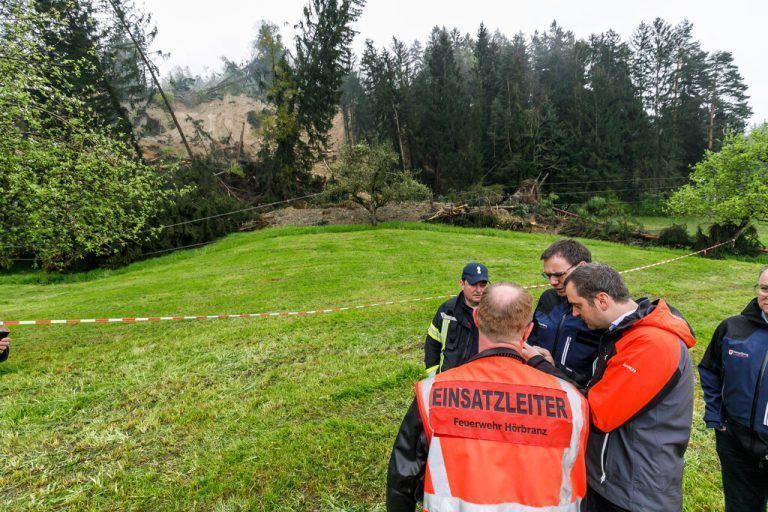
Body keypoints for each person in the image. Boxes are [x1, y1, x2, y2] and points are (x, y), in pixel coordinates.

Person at [387, 282, 589, 511]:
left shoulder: (433, 392)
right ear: (528, 330)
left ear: (476, 318)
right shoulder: (571, 401)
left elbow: (402, 477)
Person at [525, 263, 695, 512]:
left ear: (602, 300)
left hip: (633, 491)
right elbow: (600, 388)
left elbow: (598, 413)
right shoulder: (626, 333)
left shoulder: (653, 344)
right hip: (613, 479)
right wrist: (554, 367)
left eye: (577, 305)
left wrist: (541, 367)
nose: (573, 313)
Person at [699, 266, 768, 512]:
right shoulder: (732, 328)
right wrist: (717, 416)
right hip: (737, 444)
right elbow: (709, 370)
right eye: (764, 288)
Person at [527, 239, 602, 385]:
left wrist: (556, 368)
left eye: (559, 274)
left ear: (582, 267)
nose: (552, 282)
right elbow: (532, 338)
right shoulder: (548, 299)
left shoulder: (601, 311)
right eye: (548, 275)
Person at [423, 262, 488, 376]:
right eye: (473, 284)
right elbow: (432, 345)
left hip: (481, 384)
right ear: (462, 284)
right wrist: (434, 377)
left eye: (483, 285)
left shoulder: (495, 312)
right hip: (449, 384)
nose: (479, 290)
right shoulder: (446, 311)